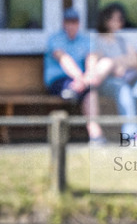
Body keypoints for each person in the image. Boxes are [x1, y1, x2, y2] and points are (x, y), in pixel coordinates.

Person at [89, 2, 137, 144]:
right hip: (109, 81)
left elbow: (135, 60)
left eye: (121, 19)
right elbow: (96, 65)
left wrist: (115, 62)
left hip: (132, 78)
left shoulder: (121, 40)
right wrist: (116, 65)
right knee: (124, 91)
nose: (120, 22)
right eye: (116, 18)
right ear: (106, 20)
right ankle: (132, 135)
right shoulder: (96, 41)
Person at [44, 8, 104, 143]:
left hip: (80, 82)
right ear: (63, 23)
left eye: (74, 22)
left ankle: (95, 135)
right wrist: (81, 78)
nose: (71, 25)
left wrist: (88, 77)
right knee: (72, 87)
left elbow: (91, 59)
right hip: (59, 80)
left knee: (90, 92)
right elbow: (64, 59)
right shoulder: (55, 39)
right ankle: (73, 90)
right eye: (68, 21)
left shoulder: (85, 40)